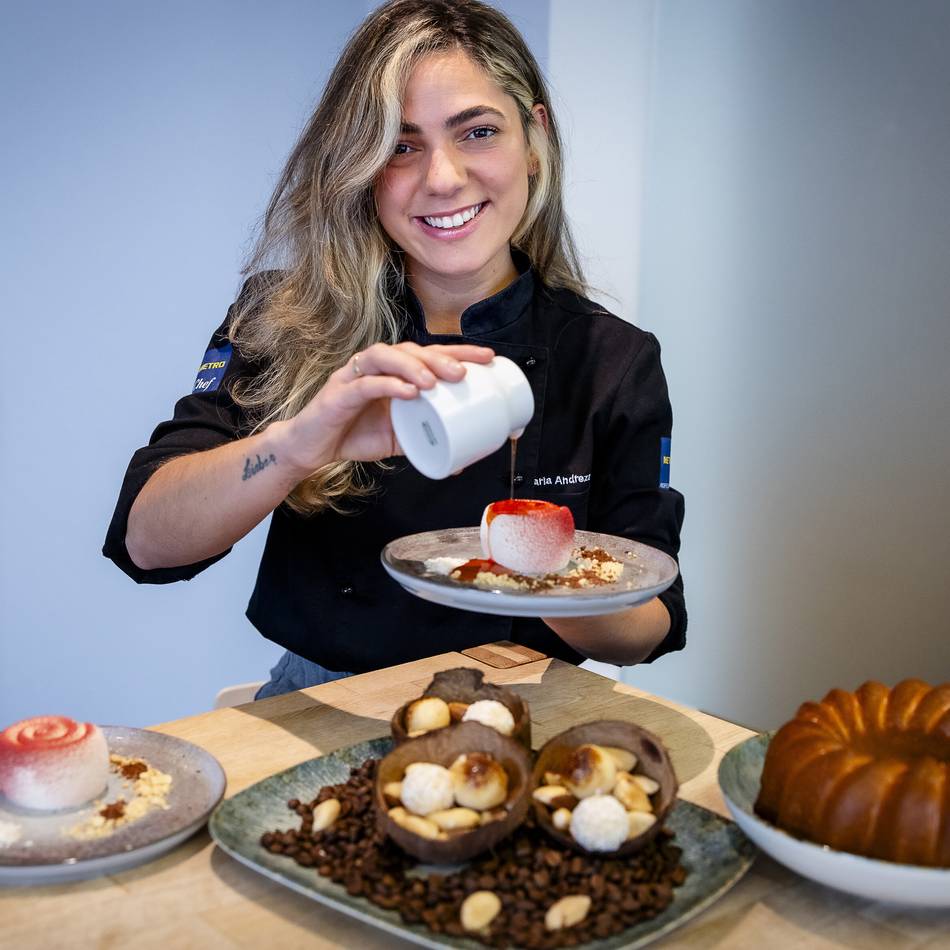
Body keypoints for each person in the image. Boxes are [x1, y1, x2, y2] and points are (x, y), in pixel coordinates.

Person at [103, 0, 686, 698]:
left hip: (535, 707)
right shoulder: (282, 319)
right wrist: (299, 447)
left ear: (534, 137)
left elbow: (652, 623)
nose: (441, 178)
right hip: (322, 706)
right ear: (360, 166)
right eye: (400, 145)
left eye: (477, 131)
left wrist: (542, 572)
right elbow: (147, 540)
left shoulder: (612, 360)